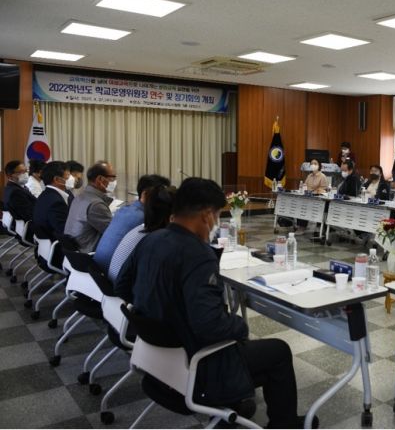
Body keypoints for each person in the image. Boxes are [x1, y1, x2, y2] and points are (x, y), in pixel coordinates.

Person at [115, 178, 314, 429]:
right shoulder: (199, 254)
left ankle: (232, 406)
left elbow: (122, 286)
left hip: (156, 360)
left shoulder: (150, 239)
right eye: (218, 216)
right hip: (194, 363)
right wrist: (240, 326)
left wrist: (163, 315)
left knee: (254, 359)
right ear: (207, 215)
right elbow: (209, 326)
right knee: (278, 351)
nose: (216, 224)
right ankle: (284, 424)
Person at [93, 174, 171, 272]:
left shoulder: (124, 210)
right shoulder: (144, 218)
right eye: (161, 194)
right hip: (110, 275)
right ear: (145, 194)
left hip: (97, 271)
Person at [108, 184, 175, 282]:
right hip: (120, 291)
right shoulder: (155, 239)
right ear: (172, 216)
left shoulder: (143, 228)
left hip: (110, 285)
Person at [64, 161, 117, 253]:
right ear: (100, 179)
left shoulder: (80, 196)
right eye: (112, 178)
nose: (114, 182)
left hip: (74, 251)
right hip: (88, 254)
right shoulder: (96, 204)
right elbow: (114, 234)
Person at [32, 161, 74, 240]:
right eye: (68, 176)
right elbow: (65, 230)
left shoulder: (46, 194)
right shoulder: (56, 202)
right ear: (57, 179)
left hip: (47, 242)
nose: (72, 179)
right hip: (58, 246)